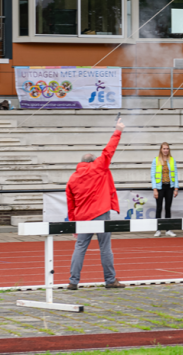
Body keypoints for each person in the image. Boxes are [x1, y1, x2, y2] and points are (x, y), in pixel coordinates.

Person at [66, 118, 127, 290]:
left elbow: (70, 204)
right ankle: (110, 280)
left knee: (80, 248)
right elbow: (108, 151)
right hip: (100, 213)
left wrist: (73, 225)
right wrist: (118, 130)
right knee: (105, 248)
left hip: (82, 218)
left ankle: (73, 281)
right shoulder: (98, 167)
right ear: (93, 161)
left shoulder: (72, 178)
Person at [151, 142, 178, 237]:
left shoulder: (172, 160)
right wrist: (154, 189)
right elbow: (153, 176)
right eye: (164, 148)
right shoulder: (156, 160)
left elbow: (176, 174)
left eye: (167, 148)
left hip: (169, 187)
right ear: (161, 149)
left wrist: (176, 188)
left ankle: (168, 229)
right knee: (159, 208)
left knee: (168, 208)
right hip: (159, 187)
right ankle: (158, 229)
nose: (166, 150)